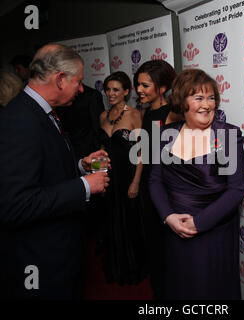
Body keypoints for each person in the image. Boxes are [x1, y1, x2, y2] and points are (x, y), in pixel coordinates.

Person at [0, 44, 110, 299]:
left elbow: (41, 168)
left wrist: (80, 165)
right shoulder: (19, 121)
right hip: (40, 261)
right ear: (60, 79)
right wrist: (85, 186)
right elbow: (16, 205)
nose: (82, 89)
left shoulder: (42, 111)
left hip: (62, 251)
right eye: (78, 82)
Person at [149, 69, 244, 299]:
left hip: (213, 232)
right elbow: (154, 181)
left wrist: (199, 223)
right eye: (199, 98)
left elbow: (236, 189)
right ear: (183, 101)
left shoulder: (227, 136)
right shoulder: (163, 134)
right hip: (175, 230)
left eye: (211, 97)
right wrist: (168, 217)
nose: (207, 105)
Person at [133, 59, 182, 299]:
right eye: (138, 84)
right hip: (147, 186)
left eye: (145, 85)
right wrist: (136, 181)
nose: (139, 90)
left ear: (162, 88)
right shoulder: (147, 112)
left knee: (168, 246)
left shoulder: (172, 114)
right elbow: (144, 149)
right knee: (151, 241)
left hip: (165, 188)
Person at [97, 71, 147, 286]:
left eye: (116, 89)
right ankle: (116, 266)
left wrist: (136, 182)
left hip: (128, 176)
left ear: (127, 91)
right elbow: (101, 149)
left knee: (129, 221)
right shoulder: (102, 116)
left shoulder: (135, 115)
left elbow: (141, 152)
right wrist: (99, 175)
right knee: (111, 220)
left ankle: (132, 268)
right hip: (108, 177)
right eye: (108, 89)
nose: (110, 93)